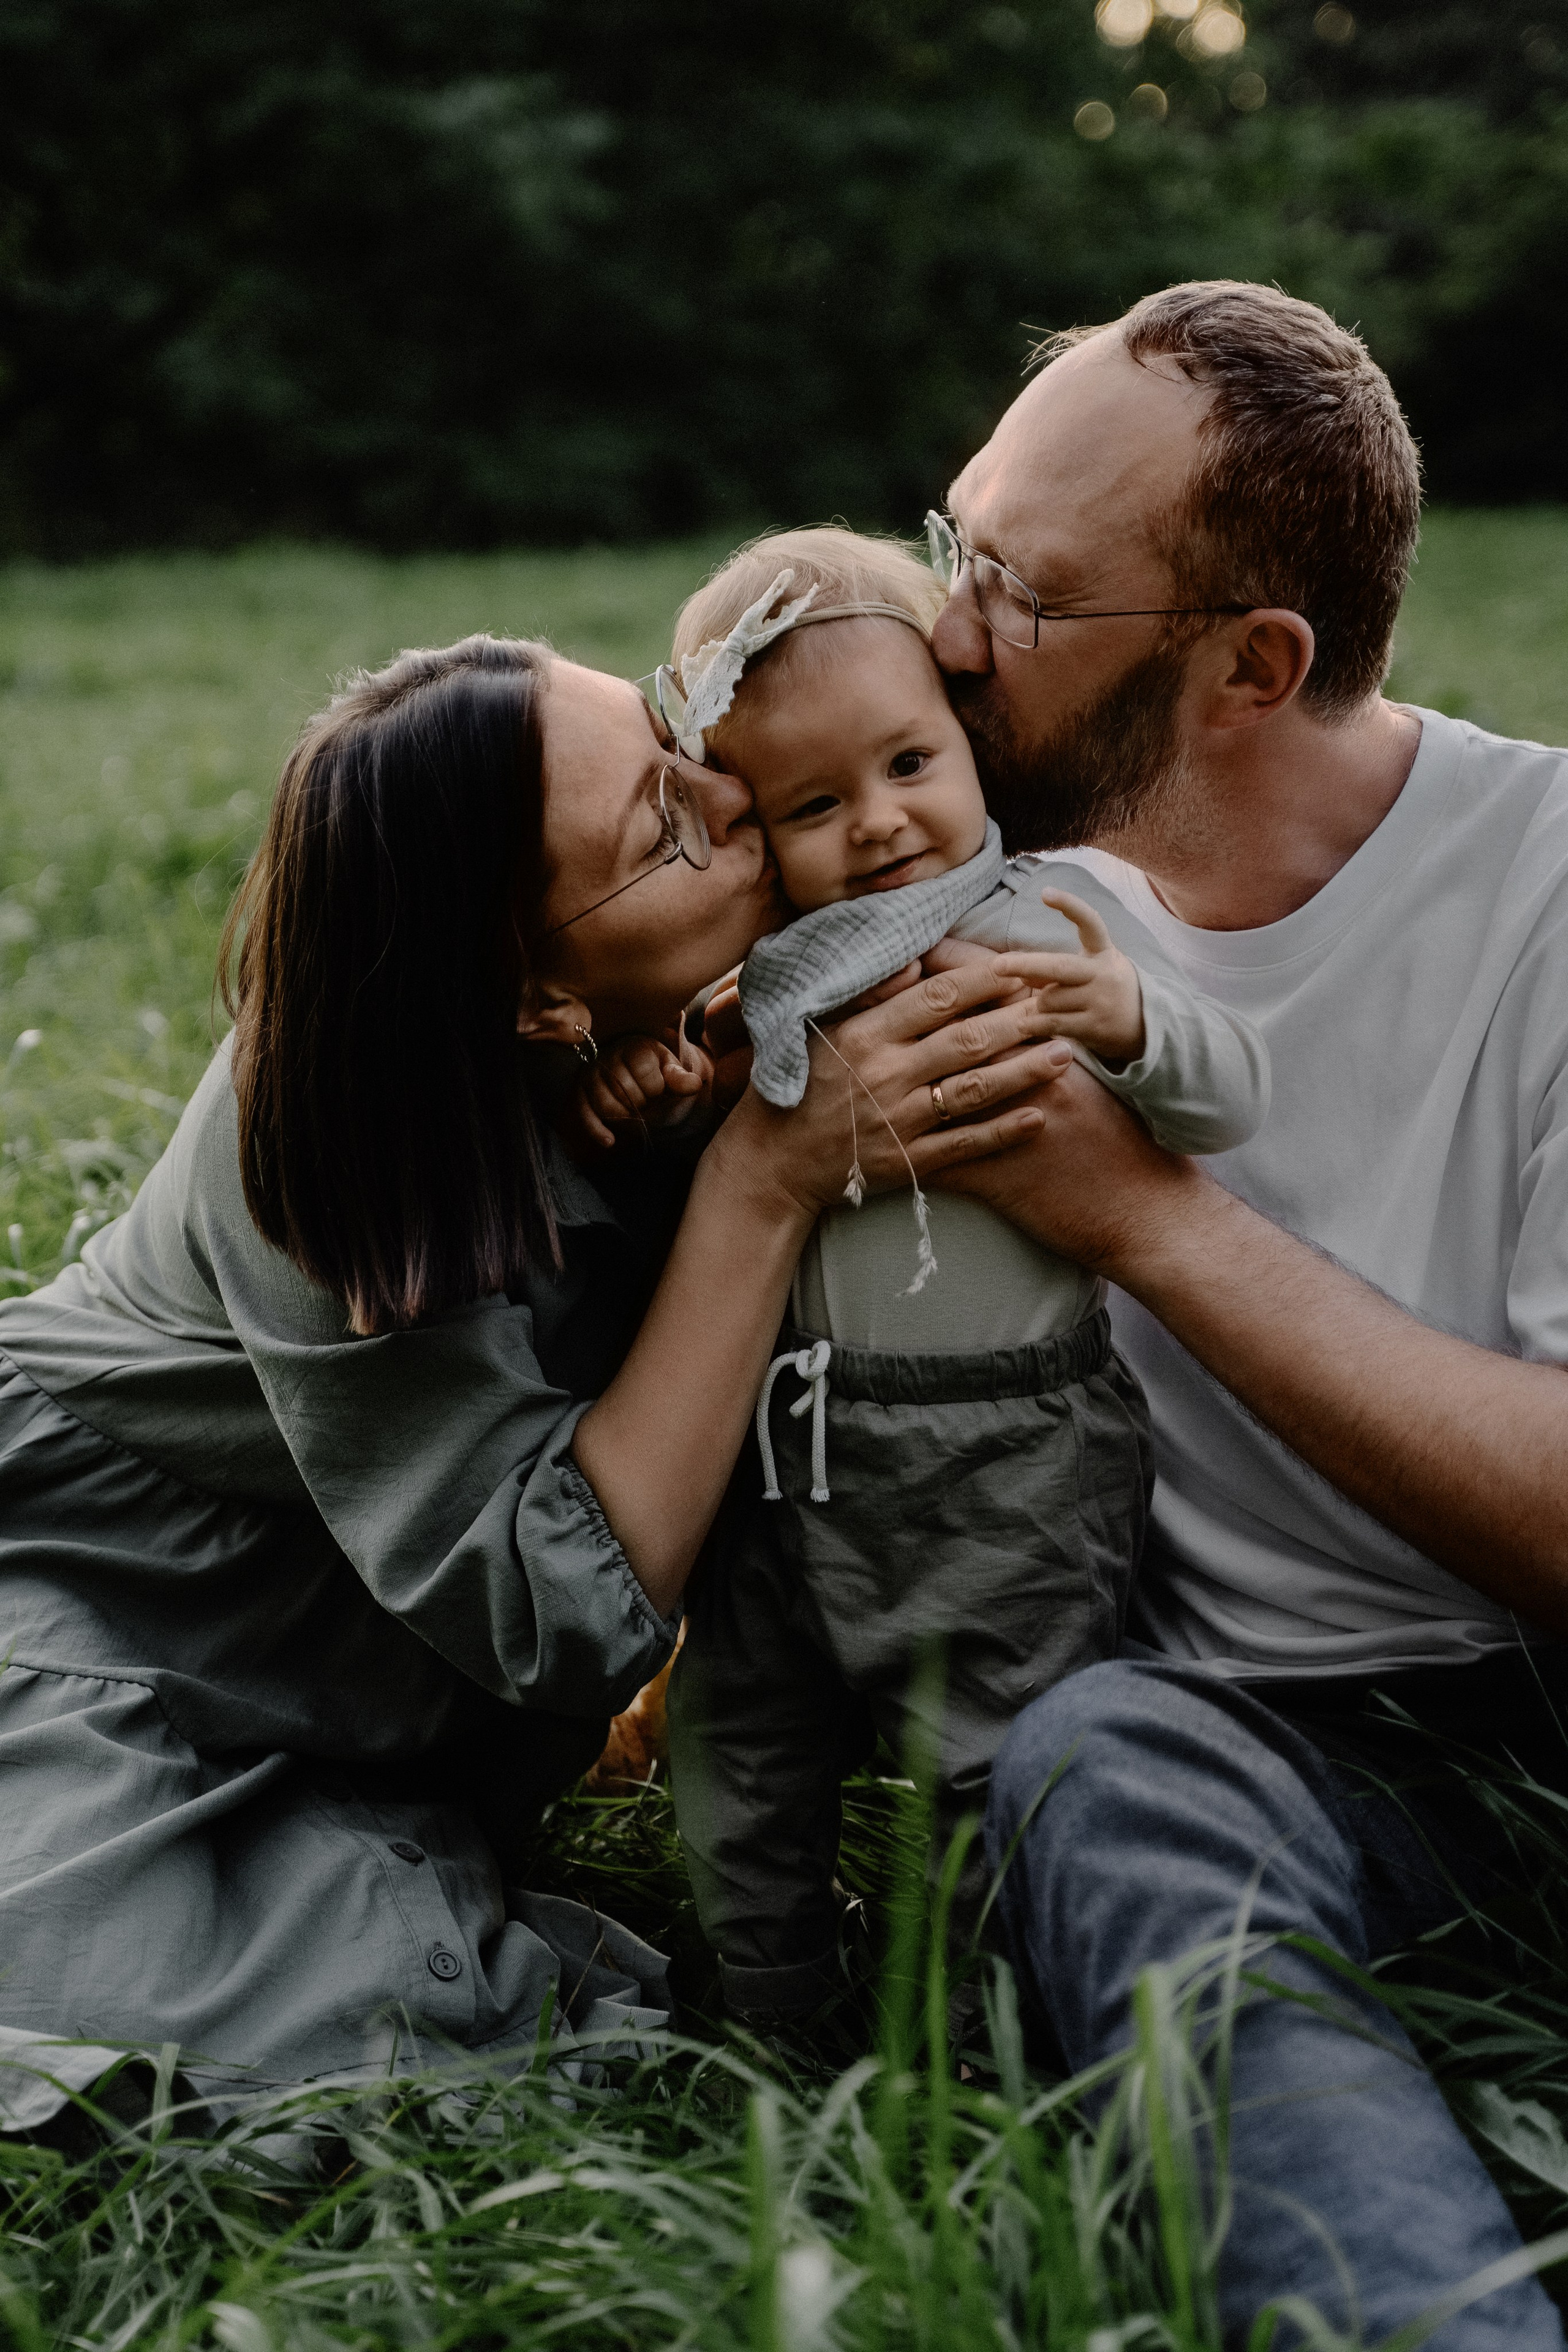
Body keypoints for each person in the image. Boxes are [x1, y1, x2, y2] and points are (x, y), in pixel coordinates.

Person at [0, 631, 1067, 2131]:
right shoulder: (321, 1138)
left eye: (671, 742)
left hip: (362, 1642)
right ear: (532, 1003)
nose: (732, 796)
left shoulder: (695, 1003)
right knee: (195, 1992)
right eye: (664, 824)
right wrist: (760, 1184)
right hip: (96, 1594)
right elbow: (558, 1613)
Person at [929, 279, 1568, 2347]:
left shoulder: (1549, 892)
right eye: (957, 541)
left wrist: (1148, 1221)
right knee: (1103, 1762)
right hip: (1287, 1757)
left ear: (1252, 668)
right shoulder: (960, 877)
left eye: (1017, 592)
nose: (947, 633)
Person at [587, 525, 1266, 2019]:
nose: (880, 826)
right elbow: (710, 1155)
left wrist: (1129, 1021)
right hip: (781, 1445)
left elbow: (1229, 1100)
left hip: (1005, 1449)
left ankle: (987, 2029)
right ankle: (766, 2001)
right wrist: (658, 1093)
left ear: (966, 740)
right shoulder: (756, 976)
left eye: (908, 765)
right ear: (752, 826)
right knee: (740, 1740)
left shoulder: (1043, 929)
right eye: (815, 803)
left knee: (996, 1760)